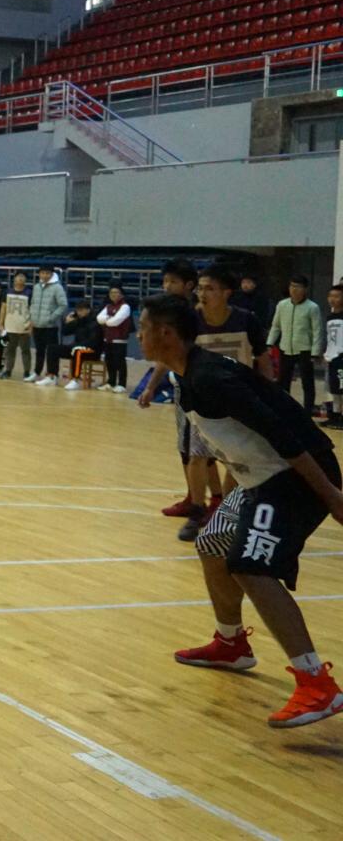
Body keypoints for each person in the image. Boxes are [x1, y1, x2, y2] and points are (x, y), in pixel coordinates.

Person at [144, 291, 343, 728]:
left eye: (144, 328)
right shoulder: (187, 375)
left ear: (166, 334)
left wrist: (331, 496)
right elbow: (238, 444)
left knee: (250, 565)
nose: (139, 336)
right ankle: (231, 644)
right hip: (262, 477)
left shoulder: (213, 379)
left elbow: (284, 434)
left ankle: (317, 684)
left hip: (296, 477)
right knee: (213, 542)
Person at [141, 259, 226, 535]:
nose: (167, 286)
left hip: (201, 387)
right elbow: (166, 356)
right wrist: (151, 386)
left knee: (202, 450)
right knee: (187, 448)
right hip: (181, 386)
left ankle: (215, 499)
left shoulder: (195, 316)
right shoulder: (168, 315)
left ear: (189, 285)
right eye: (165, 281)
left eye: (173, 282)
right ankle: (194, 496)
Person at [269, 274, 323, 417]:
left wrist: (315, 352)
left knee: (307, 382)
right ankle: (284, 409)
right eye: (292, 286)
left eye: (298, 287)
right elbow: (276, 326)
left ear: (305, 289)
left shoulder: (312, 307)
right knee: (283, 381)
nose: (294, 289)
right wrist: (269, 343)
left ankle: (308, 411)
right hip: (285, 347)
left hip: (305, 349)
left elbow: (317, 331)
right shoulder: (282, 305)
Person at [29, 266, 69, 385]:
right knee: (39, 351)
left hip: (50, 327)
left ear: (51, 274)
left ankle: (52, 376)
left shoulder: (57, 287)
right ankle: (37, 372)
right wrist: (32, 317)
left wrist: (51, 318)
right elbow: (33, 303)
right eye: (42, 273)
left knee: (52, 352)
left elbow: (63, 305)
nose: (45, 275)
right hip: (37, 325)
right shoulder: (36, 287)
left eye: (47, 273)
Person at [56, 299, 102, 390]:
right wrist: (67, 322)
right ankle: (51, 376)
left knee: (78, 352)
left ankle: (75, 380)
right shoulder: (78, 321)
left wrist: (77, 346)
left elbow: (93, 341)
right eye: (77, 310)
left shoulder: (95, 322)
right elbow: (65, 332)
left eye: (81, 310)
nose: (79, 313)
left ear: (88, 310)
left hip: (92, 350)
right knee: (53, 348)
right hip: (76, 347)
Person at [95, 285, 133, 394]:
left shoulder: (125, 307)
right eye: (111, 293)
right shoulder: (108, 306)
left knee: (120, 362)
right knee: (109, 361)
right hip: (108, 338)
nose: (113, 294)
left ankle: (121, 384)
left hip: (119, 339)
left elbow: (116, 322)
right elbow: (99, 318)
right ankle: (111, 382)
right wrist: (109, 319)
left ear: (121, 294)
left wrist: (107, 320)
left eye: (116, 292)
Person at [1, 272, 32, 380]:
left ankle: (27, 372)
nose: (20, 279)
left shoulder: (29, 293)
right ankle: (8, 370)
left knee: (26, 350)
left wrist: (31, 326)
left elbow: (32, 310)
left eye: (23, 277)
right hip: (10, 326)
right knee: (10, 350)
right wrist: (1, 324)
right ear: (14, 279)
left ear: (25, 280)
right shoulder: (7, 292)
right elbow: (3, 309)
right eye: (18, 277)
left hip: (24, 326)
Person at [325, 284, 343, 431]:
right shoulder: (329, 317)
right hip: (332, 358)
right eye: (331, 296)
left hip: (342, 357)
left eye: (337, 296)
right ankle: (335, 416)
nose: (333, 299)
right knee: (335, 389)